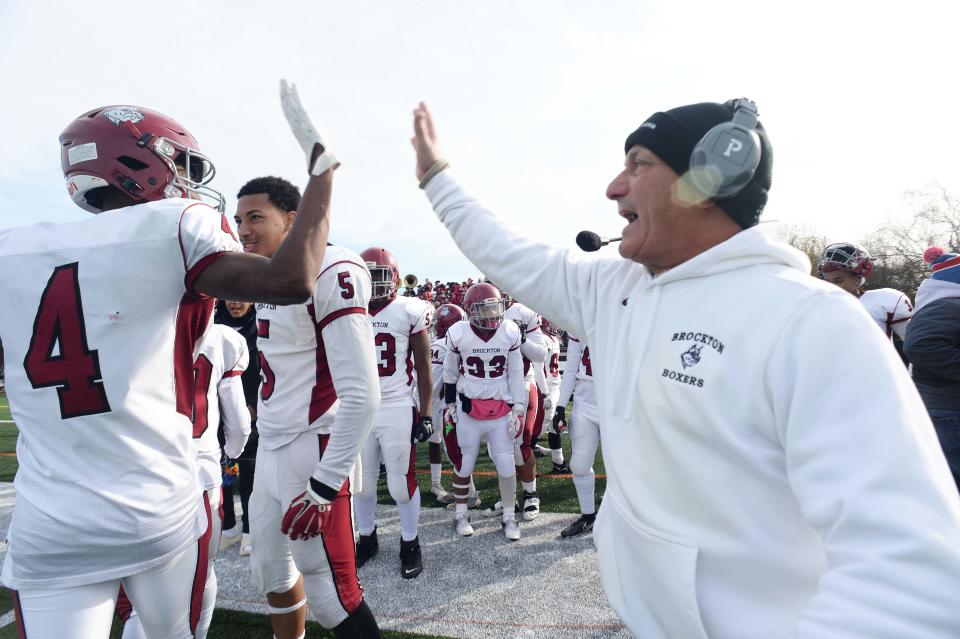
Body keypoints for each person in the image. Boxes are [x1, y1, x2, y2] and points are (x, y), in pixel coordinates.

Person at [411, 99, 960, 637]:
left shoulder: (813, 322)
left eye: (639, 164)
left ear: (709, 178)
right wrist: (436, 176)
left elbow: (909, 569)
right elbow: (508, 252)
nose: (613, 187)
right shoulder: (615, 287)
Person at [0, 80, 336, 638]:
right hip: (153, 503)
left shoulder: (13, 250)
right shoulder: (174, 225)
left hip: (49, 520)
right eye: (178, 165)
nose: (186, 182)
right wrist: (322, 181)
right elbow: (292, 278)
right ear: (138, 163)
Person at [236, 174, 380, 638]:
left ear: (293, 220)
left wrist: (324, 484)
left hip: (314, 445)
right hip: (273, 445)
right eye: (240, 219)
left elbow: (362, 392)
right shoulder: (267, 273)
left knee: (333, 594)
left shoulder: (332, 267)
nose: (244, 229)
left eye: (256, 217)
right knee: (271, 576)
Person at [353, 246, 434, 579]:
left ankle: (410, 541)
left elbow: (425, 369)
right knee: (363, 484)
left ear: (396, 279)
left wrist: (426, 413)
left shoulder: (408, 311)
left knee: (401, 483)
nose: (373, 283)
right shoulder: (349, 310)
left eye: (379, 275)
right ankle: (367, 537)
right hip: (358, 408)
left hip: (397, 404)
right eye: (367, 276)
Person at [442, 283, 526, 540]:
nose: (491, 313)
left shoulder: (510, 331)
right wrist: (449, 405)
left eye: (494, 306)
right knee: (465, 463)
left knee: (505, 463)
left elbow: (515, 373)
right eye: (484, 308)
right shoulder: (458, 333)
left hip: (500, 409)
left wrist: (519, 407)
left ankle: (510, 518)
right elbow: (450, 373)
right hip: (469, 408)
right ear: (470, 310)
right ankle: (460, 514)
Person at [904, 246, 960, 491]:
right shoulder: (946, 305)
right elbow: (920, 346)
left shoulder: (942, 304)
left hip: (944, 406)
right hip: (947, 409)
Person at [216, 299, 260, 556]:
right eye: (229, 295)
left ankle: (249, 528)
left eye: (241, 296)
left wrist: (255, 403)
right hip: (219, 407)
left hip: (251, 407)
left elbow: (266, 367)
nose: (235, 302)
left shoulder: (260, 323)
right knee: (223, 466)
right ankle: (229, 525)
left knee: (248, 469)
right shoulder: (214, 323)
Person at [818, 242, 913, 341]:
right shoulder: (817, 307)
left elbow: (913, 345)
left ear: (857, 279)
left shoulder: (884, 301)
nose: (831, 286)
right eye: (827, 281)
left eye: (838, 280)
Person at [554, 334, 599, 537]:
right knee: (579, 466)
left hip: (618, 404)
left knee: (623, 469)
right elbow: (571, 366)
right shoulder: (581, 317)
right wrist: (561, 406)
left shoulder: (628, 313)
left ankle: (623, 521)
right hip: (584, 401)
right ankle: (588, 517)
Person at [538, 318, 568, 472]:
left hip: (555, 385)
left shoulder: (553, 339)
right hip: (547, 388)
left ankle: (558, 461)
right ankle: (525, 454)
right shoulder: (541, 339)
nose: (557, 324)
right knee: (538, 428)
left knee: (556, 425)